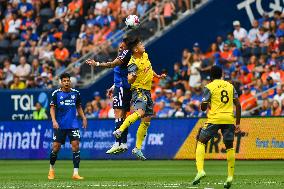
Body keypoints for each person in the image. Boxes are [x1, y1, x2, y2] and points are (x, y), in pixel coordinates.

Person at [112, 36, 166, 160]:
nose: (143, 45)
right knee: (140, 112)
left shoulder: (145, 56)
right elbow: (130, 78)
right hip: (138, 90)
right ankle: (120, 130)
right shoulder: (132, 63)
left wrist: (158, 76)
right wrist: (132, 77)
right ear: (136, 50)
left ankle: (137, 148)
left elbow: (149, 70)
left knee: (146, 121)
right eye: (141, 44)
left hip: (147, 91)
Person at [192, 66, 241, 189]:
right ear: (222, 74)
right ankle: (230, 176)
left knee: (201, 141)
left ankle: (200, 170)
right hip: (229, 119)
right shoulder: (230, 86)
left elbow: (203, 108)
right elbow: (238, 105)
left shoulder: (209, 86)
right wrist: (238, 123)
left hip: (214, 119)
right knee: (229, 147)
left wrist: (204, 103)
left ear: (211, 76)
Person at [85, 37, 132, 154]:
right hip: (120, 86)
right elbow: (122, 74)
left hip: (121, 88)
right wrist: (113, 87)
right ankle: (124, 143)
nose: (120, 45)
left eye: (122, 43)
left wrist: (97, 64)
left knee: (118, 113)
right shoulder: (123, 55)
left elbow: (112, 64)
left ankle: (117, 143)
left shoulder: (125, 54)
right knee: (122, 115)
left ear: (127, 45)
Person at [48, 73, 87, 180]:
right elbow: (52, 108)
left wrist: (83, 118)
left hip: (73, 124)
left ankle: (75, 173)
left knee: (76, 146)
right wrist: (54, 121)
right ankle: (51, 169)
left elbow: (78, 106)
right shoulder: (56, 94)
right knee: (56, 148)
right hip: (60, 125)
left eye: (68, 81)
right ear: (61, 82)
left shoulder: (76, 93)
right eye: (64, 81)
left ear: (70, 82)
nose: (66, 82)